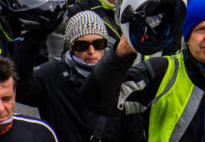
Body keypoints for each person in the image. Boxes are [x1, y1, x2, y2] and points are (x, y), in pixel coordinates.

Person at [83, 0, 205, 141]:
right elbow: (99, 102)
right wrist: (121, 53)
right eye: (201, 29)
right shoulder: (162, 72)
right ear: (186, 37)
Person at [12, 11, 143, 142]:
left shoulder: (121, 79)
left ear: (106, 45)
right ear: (71, 47)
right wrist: (35, 38)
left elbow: (133, 133)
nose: (91, 51)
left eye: (98, 44)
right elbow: (19, 89)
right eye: (82, 45)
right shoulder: (52, 76)